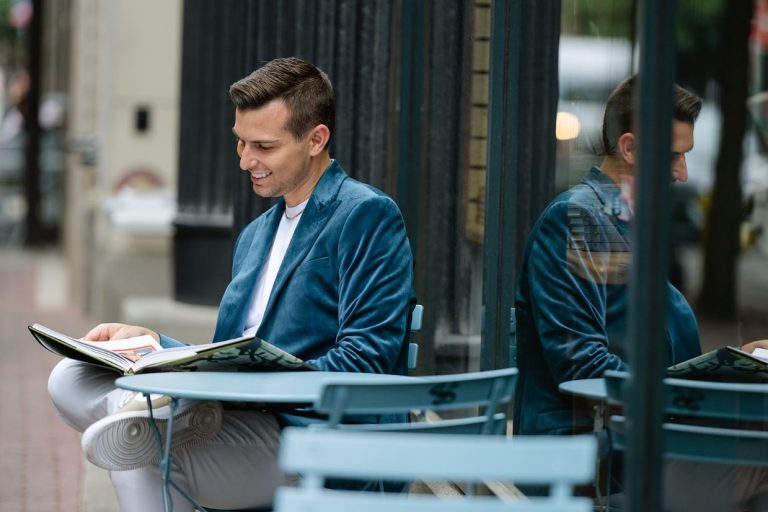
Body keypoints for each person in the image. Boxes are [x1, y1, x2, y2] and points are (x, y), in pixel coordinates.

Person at [47, 57, 414, 511]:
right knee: (69, 377)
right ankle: (160, 414)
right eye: (240, 143)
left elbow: (366, 362)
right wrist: (155, 345)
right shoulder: (255, 234)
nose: (246, 161)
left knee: (138, 452)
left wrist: (259, 384)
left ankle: (155, 417)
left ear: (316, 139)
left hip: (316, 437)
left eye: (263, 146)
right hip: (239, 420)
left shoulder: (364, 214)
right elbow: (229, 352)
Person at [514, 75, 768, 511]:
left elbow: (649, 357)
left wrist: (735, 364)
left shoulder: (623, 221)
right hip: (595, 460)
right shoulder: (576, 219)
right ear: (630, 148)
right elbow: (581, 366)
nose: (682, 173)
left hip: (632, 448)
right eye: (674, 156)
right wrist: (701, 388)